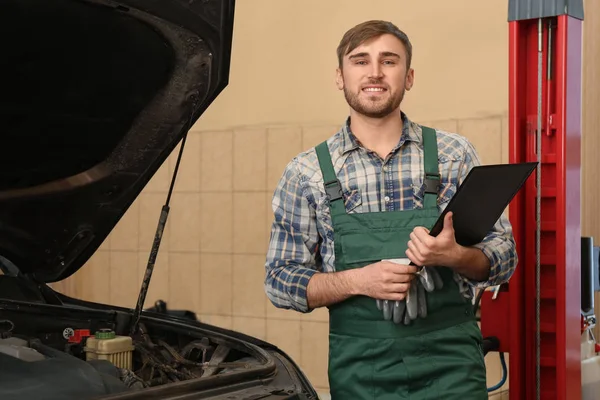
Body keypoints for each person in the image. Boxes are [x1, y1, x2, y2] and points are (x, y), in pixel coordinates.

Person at [264, 20, 517, 399]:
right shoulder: (307, 172)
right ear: (340, 76)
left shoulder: (453, 155)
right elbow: (279, 281)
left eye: (389, 61)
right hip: (362, 374)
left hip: (452, 368)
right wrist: (357, 281)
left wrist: (456, 256)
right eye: (360, 61)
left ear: (409, 76)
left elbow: (505, 255)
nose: (375, 73)